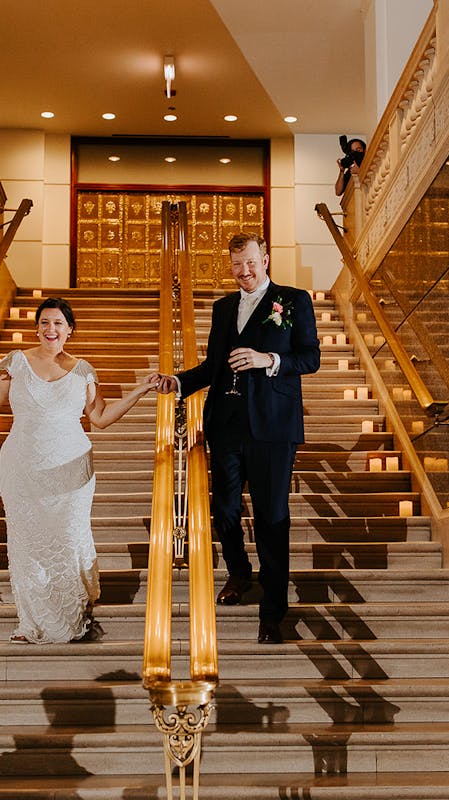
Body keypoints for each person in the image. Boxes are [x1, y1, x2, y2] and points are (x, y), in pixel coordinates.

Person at [154, 233, 320, 644]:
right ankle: (240, 573)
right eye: (236, 265)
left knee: (271, 518)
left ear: (266, 257)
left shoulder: (293, 300)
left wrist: (270, 360)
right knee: (223, 510)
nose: (243, 272)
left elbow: (310, 357)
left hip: (273, 428)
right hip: (225, 425)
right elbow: (214, 365)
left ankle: (273, 613)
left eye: (250, 262)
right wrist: (177, 381)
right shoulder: (223, 307)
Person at [0, 297, 158, 643]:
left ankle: (73, 614)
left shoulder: (83, 369)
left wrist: (141, 390)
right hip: (22, 466)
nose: (50, 329)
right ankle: (33, 621)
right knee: (27, 543)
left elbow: (100, 418)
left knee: (68, 538)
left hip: (71, 471)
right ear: (37, 327)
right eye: (44, 322)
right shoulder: (15, 362)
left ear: (70, 330)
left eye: (58, 323)